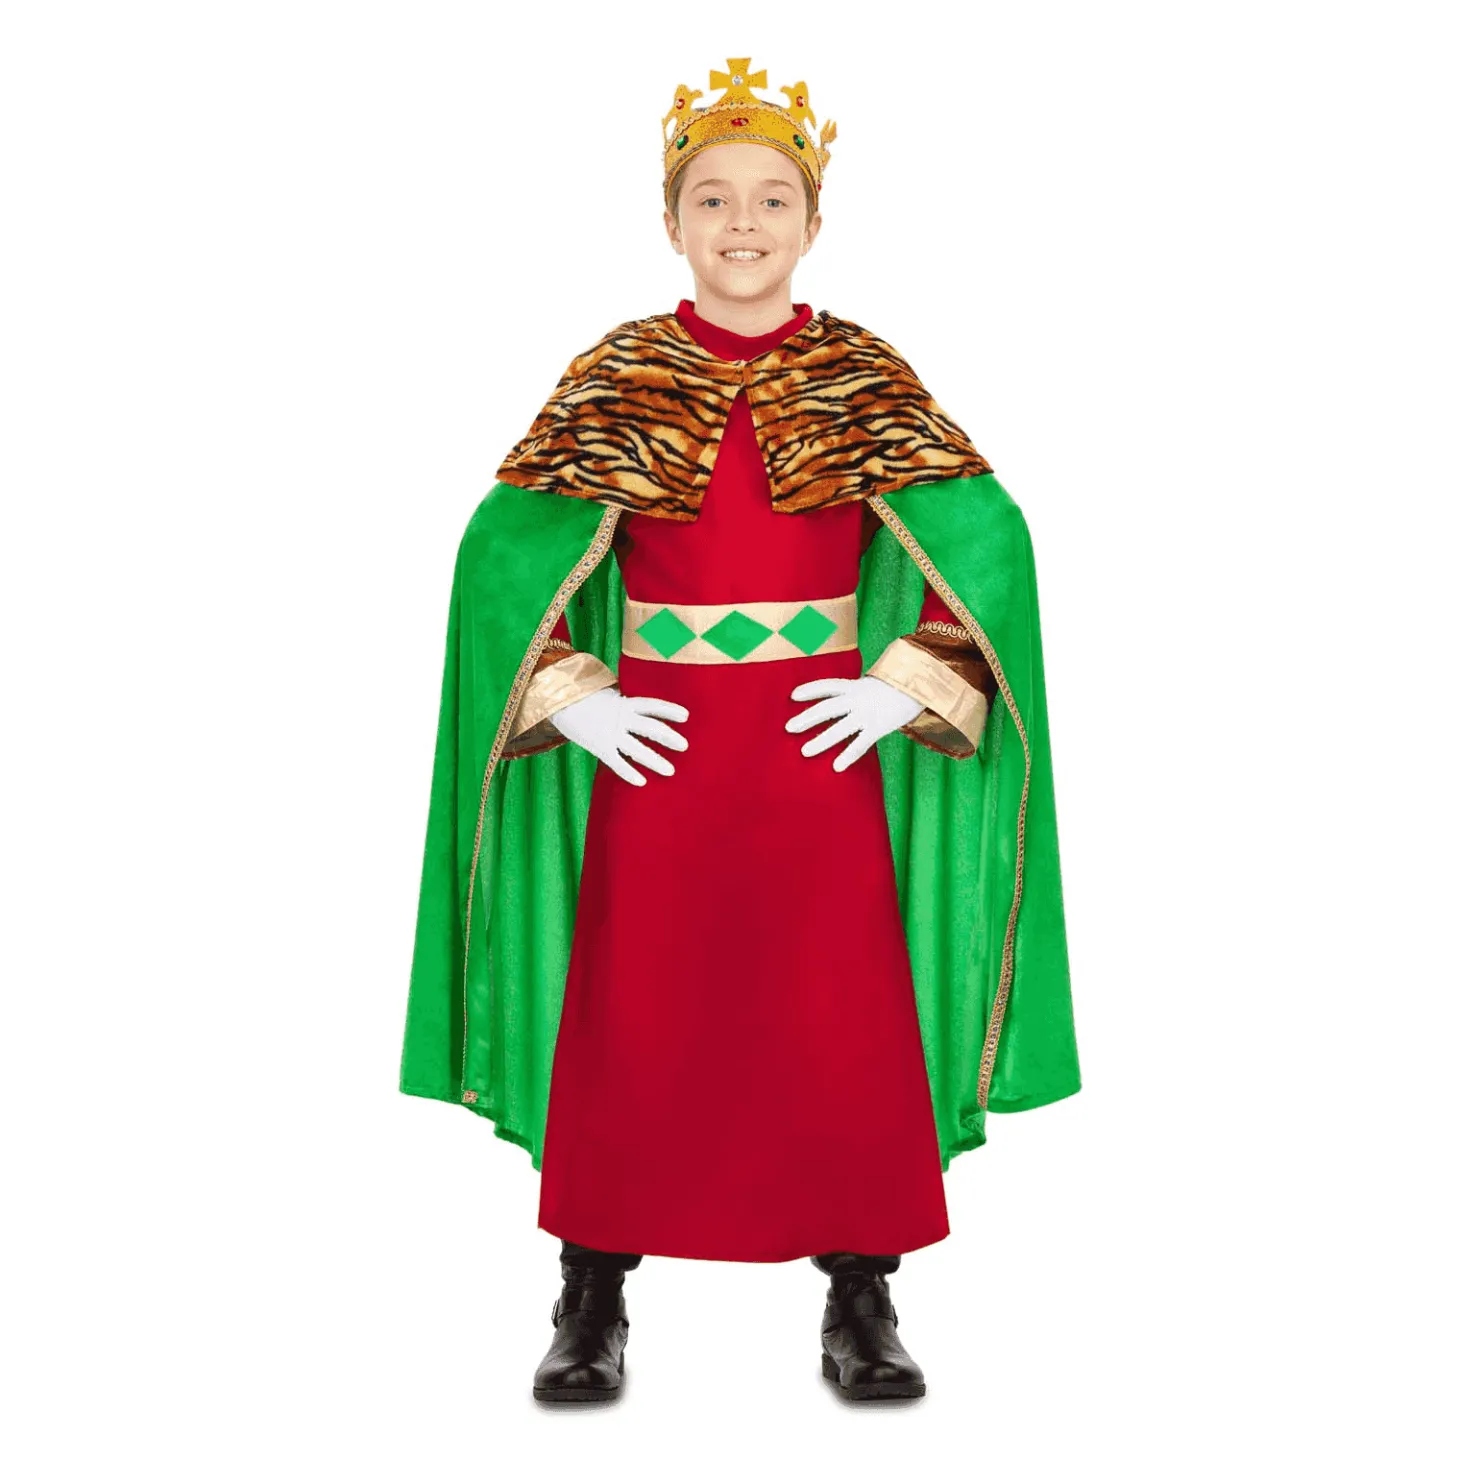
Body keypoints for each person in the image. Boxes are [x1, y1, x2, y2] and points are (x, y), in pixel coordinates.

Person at [398, 56, 1081, 1404]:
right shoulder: (621, 376)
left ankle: (862, 1288)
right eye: (712, 198)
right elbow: (500, 559)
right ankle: (592, 1286)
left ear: (814, 221)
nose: (744, 223)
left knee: (838, 1009)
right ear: (672, 221)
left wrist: (910, 681)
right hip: (659, 749)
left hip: (821, 751)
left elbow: (988, 549)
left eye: (773, 198)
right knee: (634, 1006)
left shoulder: (860, 377)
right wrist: (569, 690)